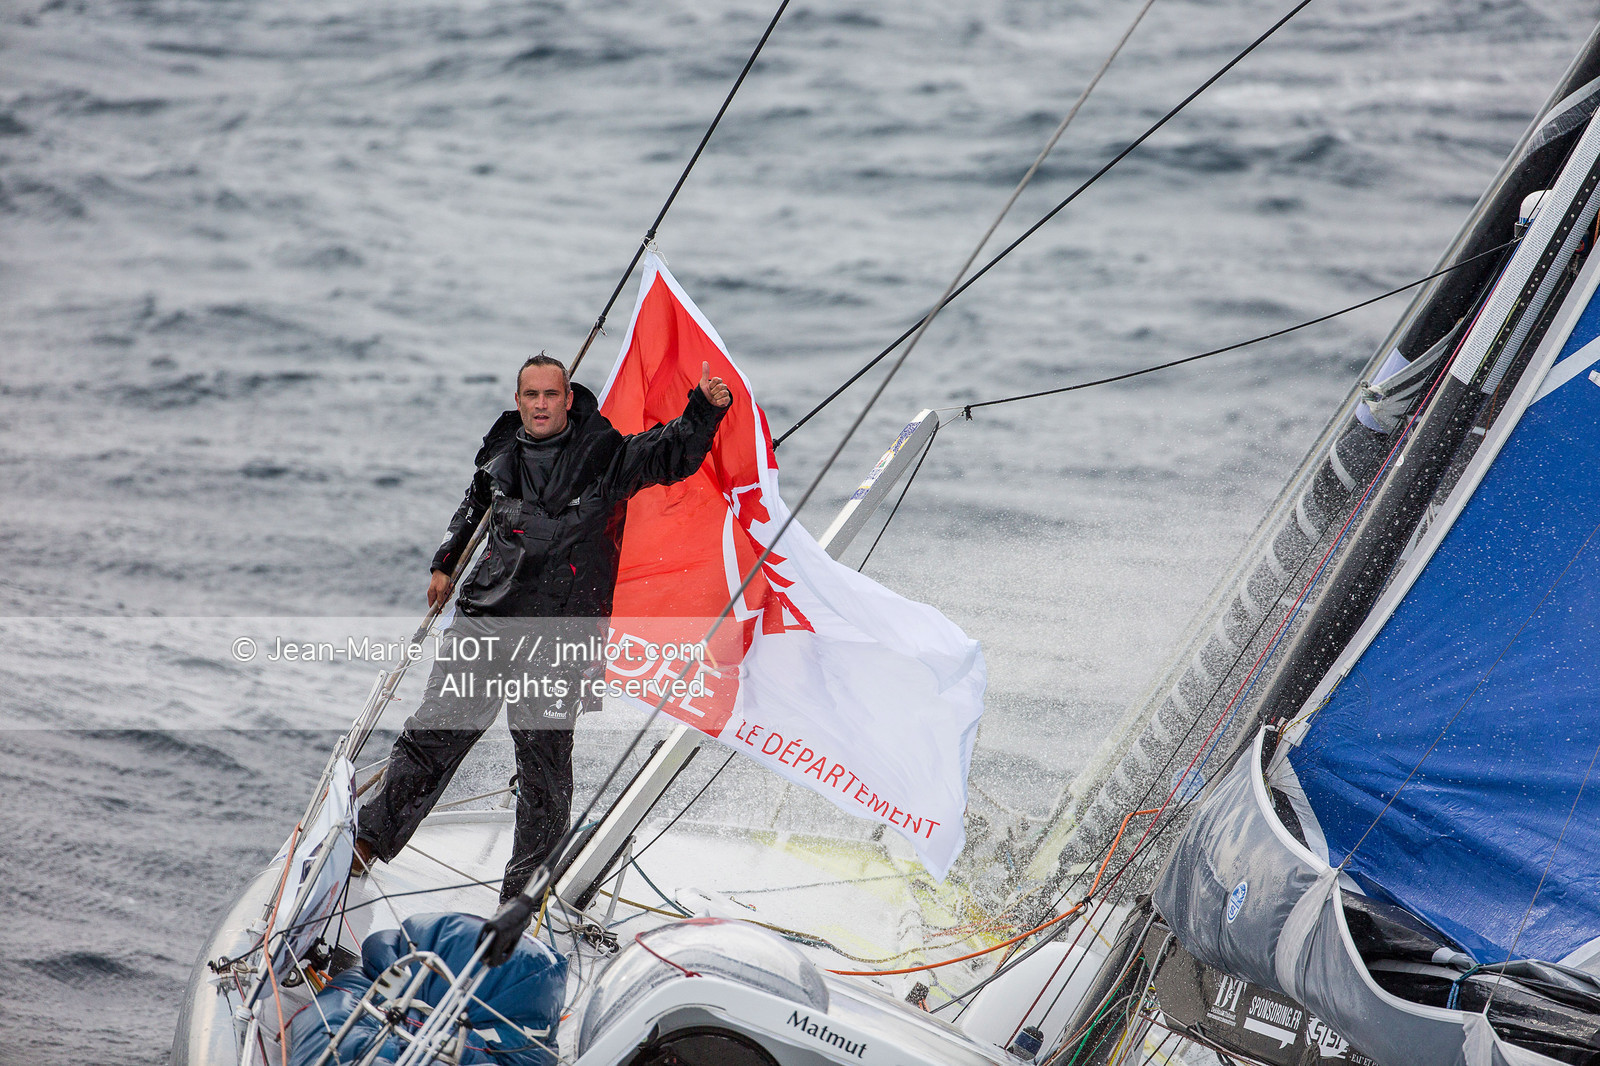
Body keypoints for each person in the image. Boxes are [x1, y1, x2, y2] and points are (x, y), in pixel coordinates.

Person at [355, 353, 732, 902]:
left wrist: (703, 408)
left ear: (568, 399)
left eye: (550, 395)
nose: (539, 405)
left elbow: (668, 454)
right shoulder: (501, 455)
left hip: (560, 639)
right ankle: (369, 841)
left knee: (543, 764)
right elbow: (474, 505)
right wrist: (445, 561)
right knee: (433, 733)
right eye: (530, 395)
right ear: (518, 401)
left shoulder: (606, 458)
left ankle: (523, 894)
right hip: (486, 620)